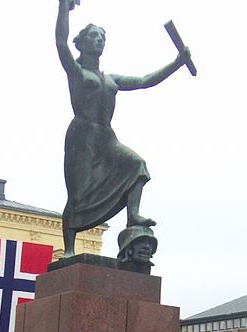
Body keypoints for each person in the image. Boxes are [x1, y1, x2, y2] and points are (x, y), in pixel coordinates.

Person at [56, 0, 191, 257]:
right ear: (82, 43)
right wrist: (63, 6)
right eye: (94, 36)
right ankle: (70, 249)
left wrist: (177, 63)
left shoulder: (111, 79)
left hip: (106, 137)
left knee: (136, 164)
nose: (99, 40)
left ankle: (133, 215)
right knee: (77, 194)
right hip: (82, 136)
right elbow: (61, 43)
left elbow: (144, 81)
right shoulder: (76, 72)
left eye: (102, 37)